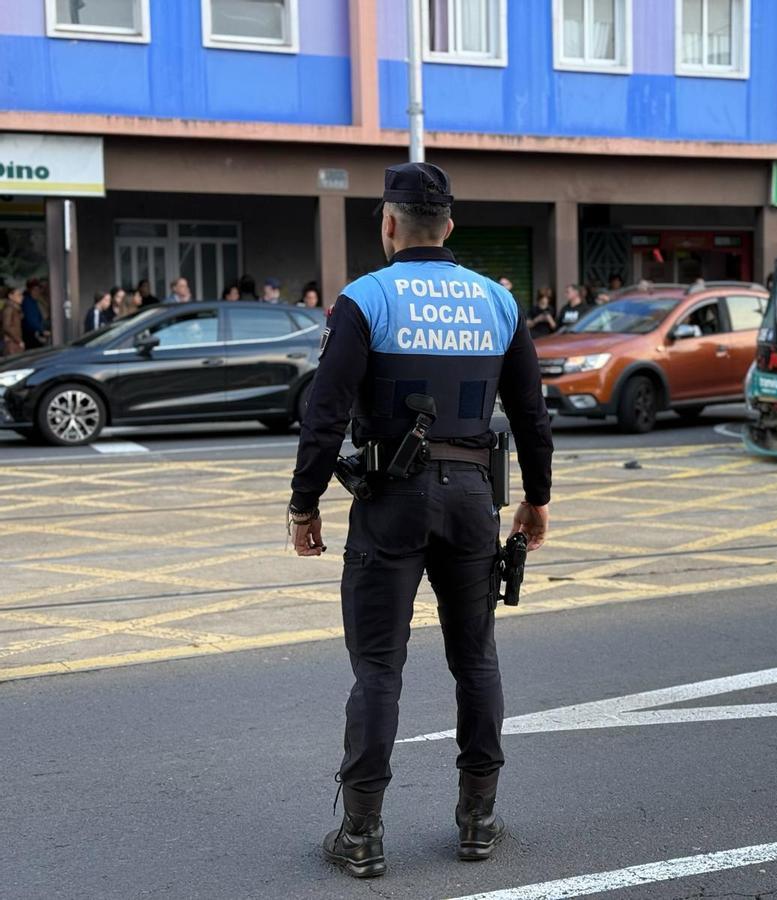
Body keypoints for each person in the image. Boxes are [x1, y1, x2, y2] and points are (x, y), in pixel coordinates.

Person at [287, 162, 553, 878]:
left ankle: (364, 834)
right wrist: (538, 497)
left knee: (378, 668)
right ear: (451, 227)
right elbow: (530, 413)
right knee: (476, 660)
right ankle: (478, 820)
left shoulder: (364, 299)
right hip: (472, 496)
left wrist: (304, 502)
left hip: (389, 501)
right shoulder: (497, 301)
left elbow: (325, 412)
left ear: (388, 225)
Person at [21, 278, 48, 348]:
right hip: (31, 335)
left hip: (34, 333)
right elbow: (31, 320)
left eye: (38, 290)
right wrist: (42, 330)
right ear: (30, 290)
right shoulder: (27, 302)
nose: (37, 292)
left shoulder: (34, 301)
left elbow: (44, 315)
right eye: (35, 290)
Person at [3, 284, 25, 355]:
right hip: (11, 343)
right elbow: (6, 326)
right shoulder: (9, 308)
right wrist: (19, 341)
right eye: (18, 295)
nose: (21, 297)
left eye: (21, 295)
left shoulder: (16, 308)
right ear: (10, 296)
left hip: (14, 342)